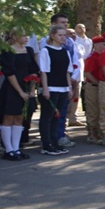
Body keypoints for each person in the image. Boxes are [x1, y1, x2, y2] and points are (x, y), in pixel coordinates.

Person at [0, 28, 39, 160]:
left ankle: (16, 148)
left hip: (26, 86)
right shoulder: (8, 51)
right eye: (23, 35)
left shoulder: (29, 50)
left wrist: (31, 88)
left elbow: (33, 70)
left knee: (20, 117)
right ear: (14, 37)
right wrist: (20, 91)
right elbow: (9, 73)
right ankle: (8, 149)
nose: (26, 38)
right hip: (12, 88)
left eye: (27, 35)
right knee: (9, 117)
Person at [38, 25, 74, 156]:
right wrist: (45, 89)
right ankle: (46, 144)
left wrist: (69, 87)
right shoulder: (46, 51)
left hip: (63, 88)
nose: (63, 37)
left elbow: (67, 72)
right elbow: (44, 71)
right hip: (51, 88)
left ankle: (55, 142)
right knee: (47, 116)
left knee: (56, 117)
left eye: (64, 35)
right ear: (52, 35)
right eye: (60, 35)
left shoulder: (65, 52)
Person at [82, 35, 105, 144]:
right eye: (100, 44)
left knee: (102, 109)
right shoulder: (92, 57)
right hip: (93, 85)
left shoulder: (104, 56)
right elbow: (87, 73)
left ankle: (100, 131)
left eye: (104, 44)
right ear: (95, 45)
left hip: (102, 86)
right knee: (92, 109)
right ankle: (92, 133)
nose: (102, 46)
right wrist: (97, 83)